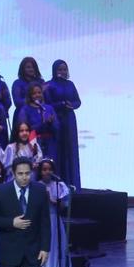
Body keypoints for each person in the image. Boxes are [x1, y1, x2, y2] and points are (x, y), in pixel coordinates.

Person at [44, 60, 83, 189]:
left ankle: (73, 184)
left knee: (70, 150)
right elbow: (47, 104)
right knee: (58, 150)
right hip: (56, 119)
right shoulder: (49, 85)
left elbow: (78, 101)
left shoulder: (70, 84)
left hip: (69, 119)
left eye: (64, 69)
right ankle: (58, 185)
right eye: (60, 69)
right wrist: (61, 104)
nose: (62, 72)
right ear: (54, 71)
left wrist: (72, 105)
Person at [37, 159, 72, 267]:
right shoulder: (36, 185)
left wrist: (51, 199)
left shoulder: (59, 185)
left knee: (56, 248)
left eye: (49, 169)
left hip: (55, 219)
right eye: (44, 169)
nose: (47, 172)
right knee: (42, 249)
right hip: (41, 221)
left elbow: (62, 206)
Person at [15, 82, 59, 161]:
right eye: (34, 93)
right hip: (33, 143)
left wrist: (51, 123)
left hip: (50, 144)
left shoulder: (49, 108)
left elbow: (57, 127)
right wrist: (43, 125)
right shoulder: (25, 109)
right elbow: (25, 128)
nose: (37, 95)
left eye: (39, 92)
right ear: (30, 95)